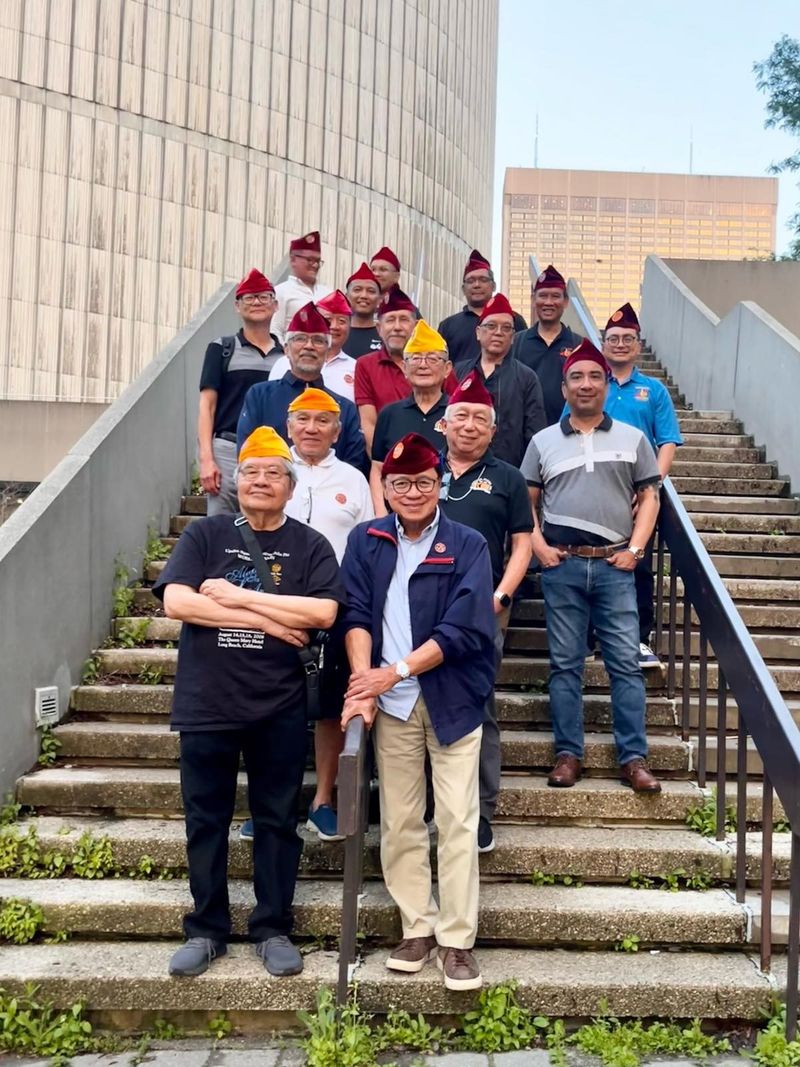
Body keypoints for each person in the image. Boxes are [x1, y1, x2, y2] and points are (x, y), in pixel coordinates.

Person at [154, 426, 345, 979]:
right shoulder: (205, 534)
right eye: (251, 473)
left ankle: (272, 927)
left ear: (291, 486)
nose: (261, 481)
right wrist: (268, 619)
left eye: (273, 473)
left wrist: (237, 596)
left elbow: (323, 613)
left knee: (277, 820)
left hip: (278, 706)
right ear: (236, 483)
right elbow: (178, 602)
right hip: (207, 702)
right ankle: (206, 928)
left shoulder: (310, 545)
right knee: (205, 819)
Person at [340, 432, 496, 991]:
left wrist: (395, 671)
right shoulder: (367, 540)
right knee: (401, 819)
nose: (412, 492)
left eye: (424, 482)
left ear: (441, 484)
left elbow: (463, 627)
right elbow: (356, 613)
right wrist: (365, 682)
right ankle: (417, 927)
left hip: (451, 696)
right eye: (401, 482)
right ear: (385, 487)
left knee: (456, 818)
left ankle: (457, 940)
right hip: (392, 704)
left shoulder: (468, 543)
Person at [521, 339, 662, 793]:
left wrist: (636, 550)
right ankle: (568, 755)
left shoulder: (633, 438)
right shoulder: (542, 442)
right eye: (576, 377)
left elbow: (650, 497)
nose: (586, 384)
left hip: (615, 568)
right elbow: (526, 503)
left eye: (595, 376)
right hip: (562, 567)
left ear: (606, 386)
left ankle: (634, 759)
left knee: (625, 664)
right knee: (565, 665)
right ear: (564, 388)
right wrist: (539, 547)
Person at [238, 390, 373, 845]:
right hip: (269, 607)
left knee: (330, 708)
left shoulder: (353, 478)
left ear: (338, 430)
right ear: (289, 425)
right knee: (268, 707)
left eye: (322, 420)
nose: (312, 428)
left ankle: (323, 800)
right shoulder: (270, 472)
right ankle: (270, 803)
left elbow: (365, 543)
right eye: (302, 419)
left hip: (332, 607)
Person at [439, 374, 533, 853]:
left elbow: (522, 544)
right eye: (462, 416)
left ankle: (479, 809)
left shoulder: (508, 477)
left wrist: (501, 596)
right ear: (444, 423)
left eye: (481, 418)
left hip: (481, 610)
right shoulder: (421, 469)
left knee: (478, 703)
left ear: (494, 430)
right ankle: (426, 805)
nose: (470, 425)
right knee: (413, 706)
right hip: (419, 605)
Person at [600, 303, 683, 669]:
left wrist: (651, 486)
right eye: (613, 338)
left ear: (638, 345)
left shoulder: (654, 390)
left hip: (639, 491)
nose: (620, 344)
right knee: (591, 561)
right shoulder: (591, 383)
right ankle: (592, 636)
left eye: (627, 338)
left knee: (638, 564)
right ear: (603, 344)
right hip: (595, 487)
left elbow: (667, 441)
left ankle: (638, 638)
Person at [237, 302, 368, 475]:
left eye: (318, 340)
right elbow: (247, 453)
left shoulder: (344, 407)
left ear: (328, 351)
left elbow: (353, 466)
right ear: (286, 349)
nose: (309, 346)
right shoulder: (260, 396)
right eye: (300, 339)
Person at [197, 269, 283, 514]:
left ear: (275, 305)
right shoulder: (222, 349)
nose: (257, 302)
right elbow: (207, 406)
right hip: (228, 448)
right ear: (237, 306)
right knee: (221, 525)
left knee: (268, 522)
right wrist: (206, 459)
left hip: (273, 451)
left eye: (264, 297)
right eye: (249, 297)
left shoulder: (286, 355)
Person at [370, 320, 453, 515]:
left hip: (448, 513)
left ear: (447, 368)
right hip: (397, 514)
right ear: (404, 368)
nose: (423, 365)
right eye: (415, 358)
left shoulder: (456, 413)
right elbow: (377, 467)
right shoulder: (389, 414)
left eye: (432, 359)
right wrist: (381, 513)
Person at [453, 293, 546, 467]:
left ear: (513, 337)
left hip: (510, 471)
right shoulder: (458, 373)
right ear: (478, 332)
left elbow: (535, 434)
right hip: (462, 469)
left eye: (506, 328)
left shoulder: (526, 377)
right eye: (491, 326)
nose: (498, 332)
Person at [512, 265, 582, 426]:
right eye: (543, 296)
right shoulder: (516, 342)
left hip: (567, 430)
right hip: (523, 430)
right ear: (533, 300)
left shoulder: (578, 345)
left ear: (565, 302)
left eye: (555, 296)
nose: (549, 302)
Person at [353, 286, 418, 454]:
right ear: (378, 328)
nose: (397, 327)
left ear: (416, 326)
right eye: (390, 320)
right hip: (385, 458)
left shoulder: (433, 362)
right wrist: (381, 462)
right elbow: (369, 424)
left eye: (404, 319)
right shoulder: (365, 365)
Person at [438, 250, 527, 366]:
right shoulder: (448, 325)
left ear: (493, 286)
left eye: (483, 280)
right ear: (463, 289)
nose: (477, 285)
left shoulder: (513, 320)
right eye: (471, 281)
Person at [269, 290, 356, 402]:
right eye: (328, 319)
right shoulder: (283, 363)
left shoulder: (356, 368)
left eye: (342, 321)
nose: (334, 326)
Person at [271, 231, 332, 343]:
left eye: (318, 261)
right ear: (293, 260)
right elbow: (275, 330)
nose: (315, 265)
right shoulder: (281, 291)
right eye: (310, 260)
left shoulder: (328, 294)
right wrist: (285, 352)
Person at [346, 262, 384, 359]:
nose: (364, 296)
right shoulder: (336, 333)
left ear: (380, 300)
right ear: (346, 297)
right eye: (357, 290)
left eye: (371, 291)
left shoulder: (385, 336)